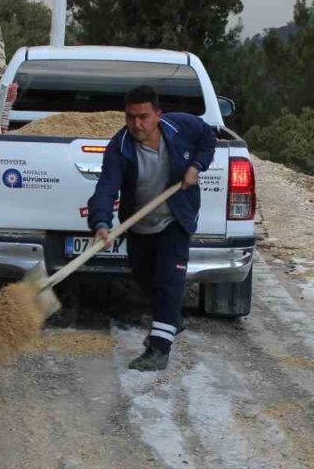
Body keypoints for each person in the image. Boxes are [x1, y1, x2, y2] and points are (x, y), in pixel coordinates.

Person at [87, 85, 217, 371]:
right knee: (146, 277)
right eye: (130, 117)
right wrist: (100, 223)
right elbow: (106, 188)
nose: (137, 124)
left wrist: (196, 165)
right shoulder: (119, 149)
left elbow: (208, 140)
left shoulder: (182, 126)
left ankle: (159, 349)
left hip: (175, 217)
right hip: (139, 223)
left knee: (169, 279)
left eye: (143, 117)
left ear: (158, 114)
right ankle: (172, 319)